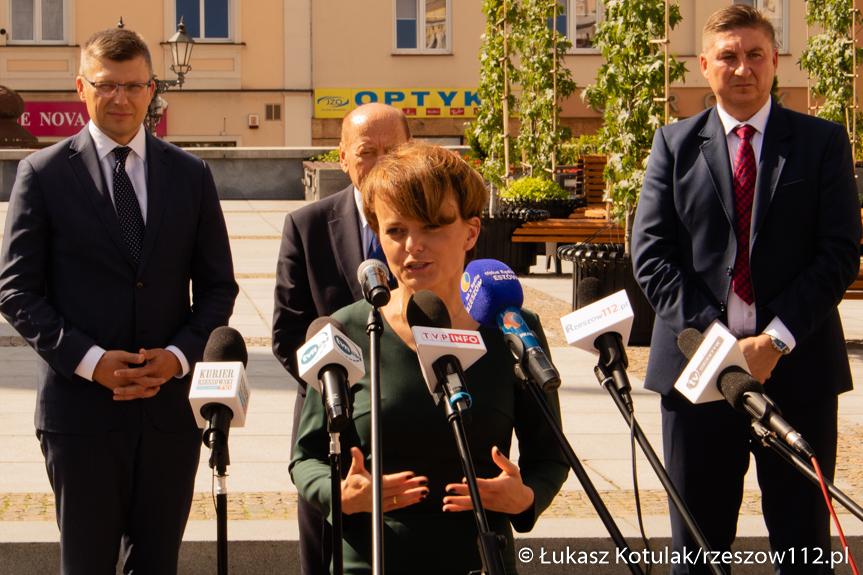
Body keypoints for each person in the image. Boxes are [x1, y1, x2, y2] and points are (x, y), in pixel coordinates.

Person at [631, 6, 861, 574]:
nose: (742, 68)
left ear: (775, 61)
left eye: (755, 54)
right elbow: (651, 255)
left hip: (798, 373)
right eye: (728, 57)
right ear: (704, 65)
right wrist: (719, 348)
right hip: (697, 378)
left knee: (803, 547)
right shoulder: (673, 145)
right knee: (698, 551)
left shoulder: (822, 143)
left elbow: (838, 253)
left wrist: (775, 340)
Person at [0, 28, 238, 574]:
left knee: (157, 564)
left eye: (133, 86)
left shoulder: (191, 174)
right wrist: (91, 361)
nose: (120, 99)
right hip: (79, 414)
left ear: (152, 90)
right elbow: (15, 290)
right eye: (106, 85)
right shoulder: (42, 173)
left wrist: (177, 357)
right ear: (80, 88)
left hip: (168, 414)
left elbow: (218, 287)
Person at [290, 141, 568, 574]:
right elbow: (306, 456)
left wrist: (525, 496)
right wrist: (339, 493)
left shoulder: (512, 326)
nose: (412, 246)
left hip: (480, 560)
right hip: (370, 561)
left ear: (471, 232)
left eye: (433, 227)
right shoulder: (347, 329)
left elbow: (550, 455)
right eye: (395, 231)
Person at [272, 102, 410, 574]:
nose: (380, 163)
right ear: (343, 157)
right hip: (330, 425)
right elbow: (289, 333)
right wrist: (347, 394)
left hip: (414, 420)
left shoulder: (434, 230)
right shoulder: (306, 226)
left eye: (393, 150)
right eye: (367, 151)